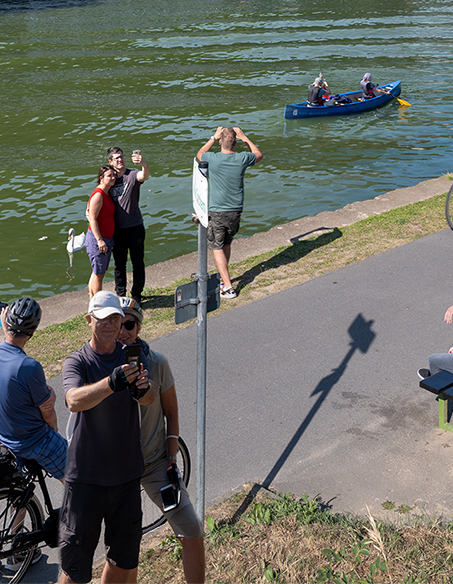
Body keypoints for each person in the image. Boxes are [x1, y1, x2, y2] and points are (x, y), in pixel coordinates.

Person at [59, 290, 156, 584]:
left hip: (126, 478)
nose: (110, 325)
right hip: (86, 479)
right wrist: (112, 383)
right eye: (103, 319)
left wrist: (142, 389)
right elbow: (74, 400)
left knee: (122, 559)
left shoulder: (131, 357)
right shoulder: (77, 362)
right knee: (74, 568)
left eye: (116, 318)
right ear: (89, 320)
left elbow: (150, 398)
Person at [116, 301, 205, 583]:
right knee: (122, 548)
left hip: (155, 463)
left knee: (191, 527)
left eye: (129, 324)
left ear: (139, 327)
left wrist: (172, 460)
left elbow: (172, 412)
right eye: (117, 324)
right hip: (118, 471)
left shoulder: (158, 363)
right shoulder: (101, 366)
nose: (122, 331)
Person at [0, 297, 68, 480]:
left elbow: (8, 346)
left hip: (4, 438)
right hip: (32, 441)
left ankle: (21, 507)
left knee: (19, 488)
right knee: (77, 477)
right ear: (33, 332)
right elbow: (47, 410)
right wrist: (54, 431)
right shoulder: (29, 366)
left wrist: (8, 329)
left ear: (7, 323)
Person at [196, 126, 263, 300]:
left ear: (221, 141)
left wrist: (212, 137)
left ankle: (228, 286)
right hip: (236, 210)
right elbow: (258, 154)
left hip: (217, 211)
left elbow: (199, 154)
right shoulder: (242, 158)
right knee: (226, 243)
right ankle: (223, 278)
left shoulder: (213, 158)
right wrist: (245, 137)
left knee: (216, 247)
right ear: (235, 143)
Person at [106, 146, 150, 304]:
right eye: (116, 158)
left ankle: (137, 294)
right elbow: (99, 194)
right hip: (117, 230)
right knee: (119, 264)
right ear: (110, 162)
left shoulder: (131, 175)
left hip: (135, 227)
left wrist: (144, 164)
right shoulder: (109, 179)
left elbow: (143, 175)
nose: (120, 160)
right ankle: (121, 294)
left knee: (138, 262)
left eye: (121, 157)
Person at [85, 166, 118, 296]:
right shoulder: (99, 195)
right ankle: (97, 303)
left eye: (114, 175)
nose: (113, 178)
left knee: (97, 272)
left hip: (106, 238)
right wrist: (99, 240)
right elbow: (92, 219)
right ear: (101, 178)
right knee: (99, 274)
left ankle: (93, 301)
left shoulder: (107, 193)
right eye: (109, 176)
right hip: (98, 239)